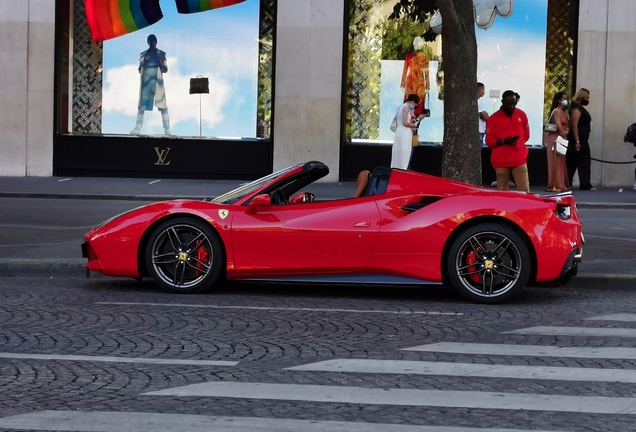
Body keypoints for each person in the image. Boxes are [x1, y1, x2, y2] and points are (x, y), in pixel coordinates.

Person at [485, 90, 531, 192]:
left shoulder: (521, 115)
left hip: (519, 159)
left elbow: (526, 135)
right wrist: (504, 141)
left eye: (513, 104)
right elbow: (489, 141)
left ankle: (524, 208)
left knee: (525, 191)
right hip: (501, 160)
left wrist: (518, 142)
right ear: (502, 102)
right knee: (502, 192)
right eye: (508, 104)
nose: (511, 106)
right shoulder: (493, 119)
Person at [131, 34, 171, 136]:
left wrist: (160, 63)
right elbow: (140, 69)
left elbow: (165, 69)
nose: (152, 42)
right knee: (142, 105)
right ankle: (138, 127)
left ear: (156, 41)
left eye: (154, 40)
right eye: (150, 40)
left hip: (157, 81)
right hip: (146, 81)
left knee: (163, 106)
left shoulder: (161, 54)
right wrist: (143, 67)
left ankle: (167, 129)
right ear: (148, 42)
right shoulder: (143, 55)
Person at [567, 88, 595, 190]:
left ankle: (572, 182)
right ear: (581, 97)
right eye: (586, 97)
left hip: (582, 137)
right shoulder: (576, 109)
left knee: (573, 161)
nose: (587, 99)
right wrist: (577, 141)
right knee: (582, 161)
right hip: (579, 139)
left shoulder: (580, 108)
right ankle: (584, 183)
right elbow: (574, 125)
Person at [391, 94, 425, 169]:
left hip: (400, 132)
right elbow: (405, 123)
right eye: (415, 105)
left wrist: (414, 120)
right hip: (404, 133)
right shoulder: (406, 107)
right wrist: (414, 125)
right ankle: (403, 169)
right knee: (404, 154)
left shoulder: (401, 107)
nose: (415, 107)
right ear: (412, 102)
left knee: (399, 154)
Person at [545, 91, 570, 191]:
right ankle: (555, 184)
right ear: (559, 100)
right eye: (564, 99)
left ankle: (561, 183)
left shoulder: (563, 111)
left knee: (561, 161)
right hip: (555, 138)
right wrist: (564, 132)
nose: (566, 101)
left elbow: (566, 125)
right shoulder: (556, 111)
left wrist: (566, 131)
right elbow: (559, 125)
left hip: (561, 137)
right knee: (555, 161)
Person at [400, 37, 430, 116]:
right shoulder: (424, 58)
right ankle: (414, 117)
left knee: (413, 100)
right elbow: (426, 73)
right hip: (418, 81)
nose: (417, 44)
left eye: (418, 43)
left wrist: (402, 84)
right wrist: (427, 86)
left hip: (412, 80)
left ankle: (412, 116)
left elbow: (405, 71)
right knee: (416, 99)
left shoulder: (409, 57)